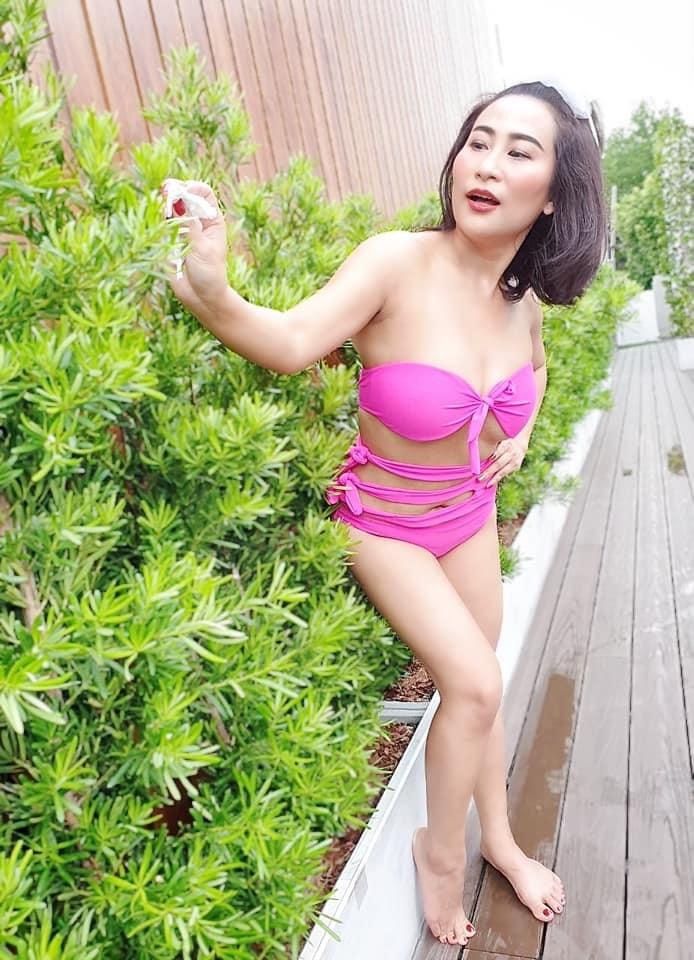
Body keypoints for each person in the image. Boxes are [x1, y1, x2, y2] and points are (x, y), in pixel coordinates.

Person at [163, 77, 607, 948]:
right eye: (479, 141)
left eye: (519, 152)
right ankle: (439, 857)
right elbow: (292, 343)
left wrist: (519, 437)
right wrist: (213, 287)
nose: (487, 164)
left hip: (468, 513)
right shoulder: (394, 262)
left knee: (483, 690)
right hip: (381, 519)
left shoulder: (520, 300)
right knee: (472, 683)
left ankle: (501, 841)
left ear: (554, 194)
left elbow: (534, 369)